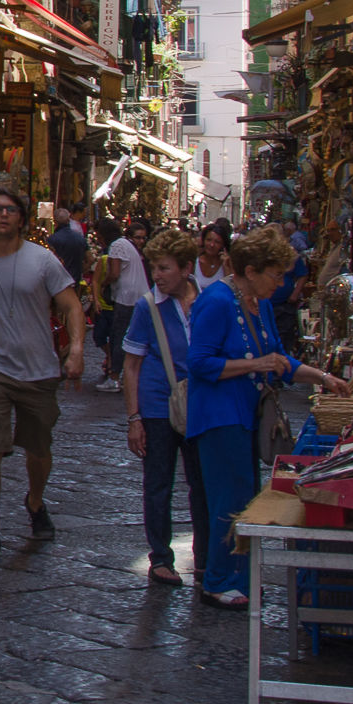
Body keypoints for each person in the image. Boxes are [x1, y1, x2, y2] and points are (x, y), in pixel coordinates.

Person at [183, 227, 344, 606]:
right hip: (220, 415)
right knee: (228, 497)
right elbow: (199, 362)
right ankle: (219, 580)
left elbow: (279, 358)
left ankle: (242, 575)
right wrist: (254, 364)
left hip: (247, 415)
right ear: (251, 270)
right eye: (276, 274)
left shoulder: (260, 303)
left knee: (245, 495)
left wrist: (322, 377)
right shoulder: (217, 301)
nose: (282, 282)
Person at [0, 180, 85, 562]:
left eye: (11, 209)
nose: (4, 214)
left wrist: (76, 350)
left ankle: (35, 499)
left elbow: (72, 307)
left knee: (38, 449)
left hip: (39, 371)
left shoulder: (42, 260)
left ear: (22, 219)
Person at [120, 228, 205, 586]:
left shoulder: (208, 300)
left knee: (201, 486)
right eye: (154, 267)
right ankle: (160, 558)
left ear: (186, 268)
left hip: (201, 404)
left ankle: (206, 556)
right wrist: (134, 417)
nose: (157, 275)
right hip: (157, 406)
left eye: (164, 268)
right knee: (158, 484)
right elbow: (132, 365)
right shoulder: (147, 306)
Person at [98, 216, 150, 391]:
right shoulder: (128, 246)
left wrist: (103, 284)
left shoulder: (118, 246)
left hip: (126, 297)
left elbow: (114, 273)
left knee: (119, 337)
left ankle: (114, 377)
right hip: (138, 296)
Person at [196, 219, 234, 290]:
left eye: (217, 242)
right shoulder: (195, 262)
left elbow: (232, 290)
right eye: (208, 240)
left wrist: (226, 267)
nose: (212, 245)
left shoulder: (227, 264)